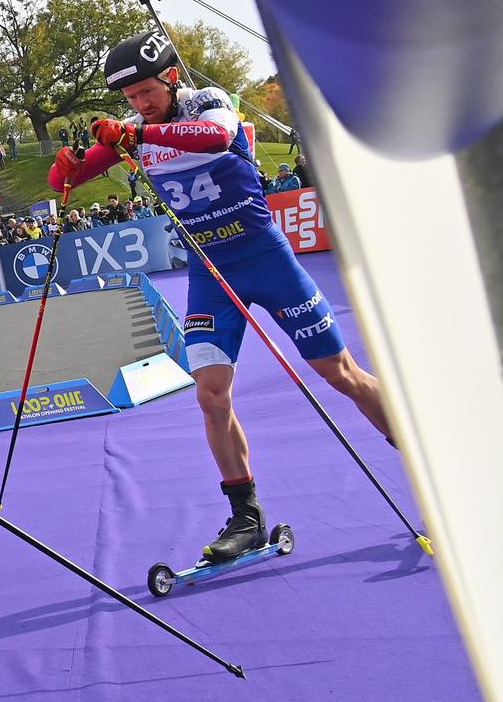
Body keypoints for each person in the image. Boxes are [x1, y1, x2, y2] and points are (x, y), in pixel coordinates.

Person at [49, 29, 390, 564]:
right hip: (211, 272)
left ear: (172, 77)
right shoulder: (133, 130)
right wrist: (67, 168)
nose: (140, 104)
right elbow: (63, 179)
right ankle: (247, 516)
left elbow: (210, 139)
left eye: (147, 91)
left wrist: (136, 139)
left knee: (339, 373)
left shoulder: (209, 105)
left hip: (266, 259)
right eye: (130, 98)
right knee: (210, 394)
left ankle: (430, 464)